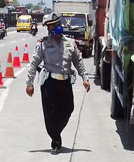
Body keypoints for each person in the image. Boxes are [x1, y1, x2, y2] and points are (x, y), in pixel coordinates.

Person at [26, 13, 90, 154]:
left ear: (58, 25)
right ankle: (56, 141)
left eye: (53, 25)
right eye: (49, 26)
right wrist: (29, 83)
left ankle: (56, 132)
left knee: (68, 109)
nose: (51, 29)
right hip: (49, 82)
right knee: (50, 114)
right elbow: (33, 63)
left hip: (65, 82)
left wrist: (85, 77)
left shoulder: (70, 43)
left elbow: (78, 61)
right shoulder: (43, 44)